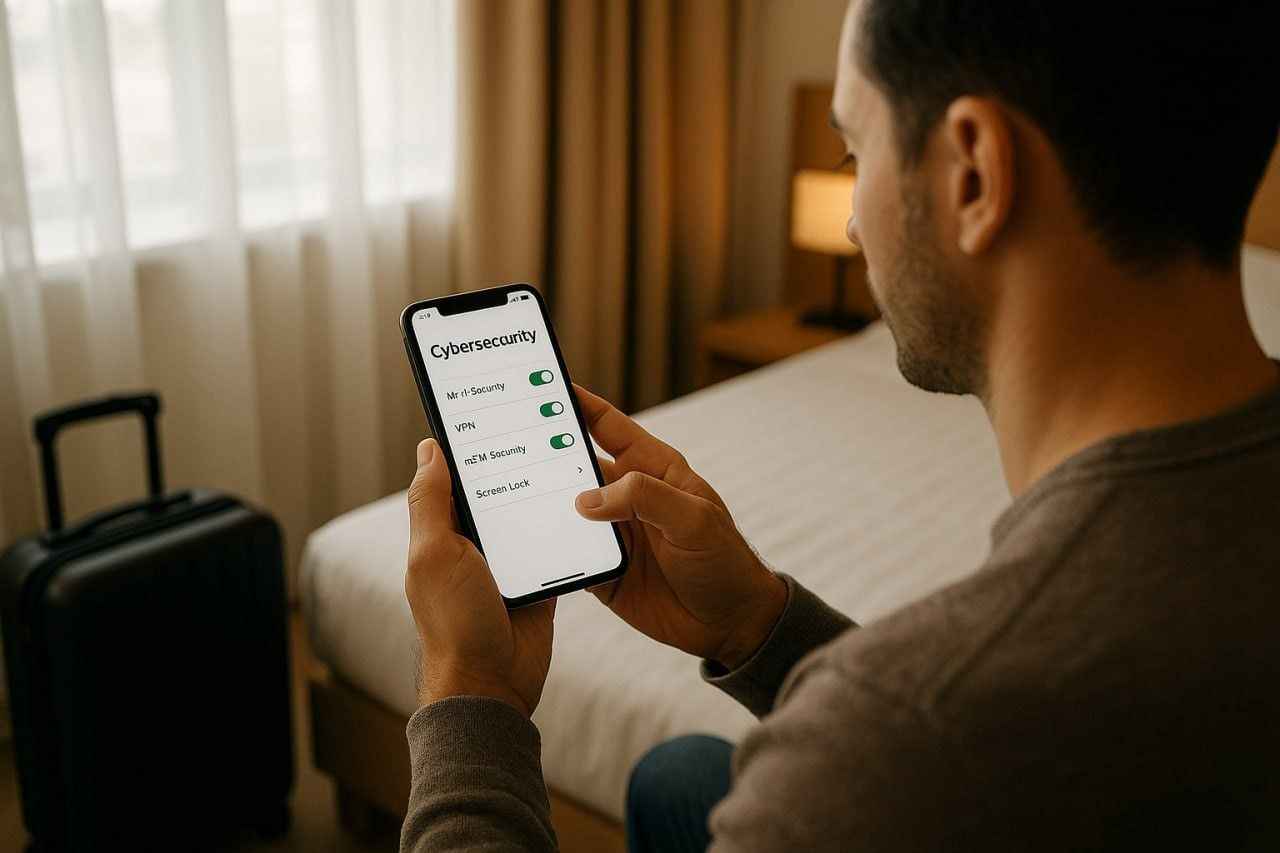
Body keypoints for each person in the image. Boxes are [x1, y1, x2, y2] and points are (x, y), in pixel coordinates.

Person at [398, 0, 1280, 849]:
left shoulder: (903, 731)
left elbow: (927, 736)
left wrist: (472, 694)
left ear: (974, 172)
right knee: (678, 777)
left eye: (854, 150)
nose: (852, 221)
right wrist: (756, 622)